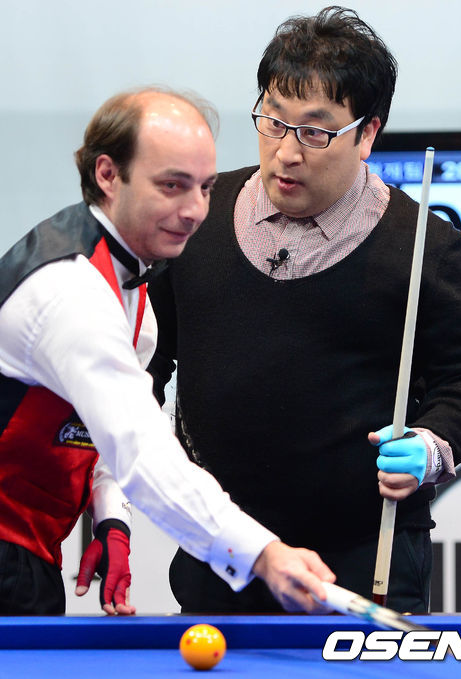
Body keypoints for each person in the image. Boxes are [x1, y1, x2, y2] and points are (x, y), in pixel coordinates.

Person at [147, 7, 461, 614]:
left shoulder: (423, 245)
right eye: (273, 121)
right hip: (222, 546)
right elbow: (145, 354)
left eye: (315, 132)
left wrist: (433, 443)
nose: (286, 152)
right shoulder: (197, 216)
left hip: (365, 555)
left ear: (367, 134)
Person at [0, 87, 337, 616]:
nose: (195, 210)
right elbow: (141, 451)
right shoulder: (72, 291)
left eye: (205, 187)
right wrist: (264, 555)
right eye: (172, 186)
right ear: (108, 174)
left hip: (27, 553)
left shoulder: (131, 279)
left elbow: (110, 424)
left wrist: (112, 519)